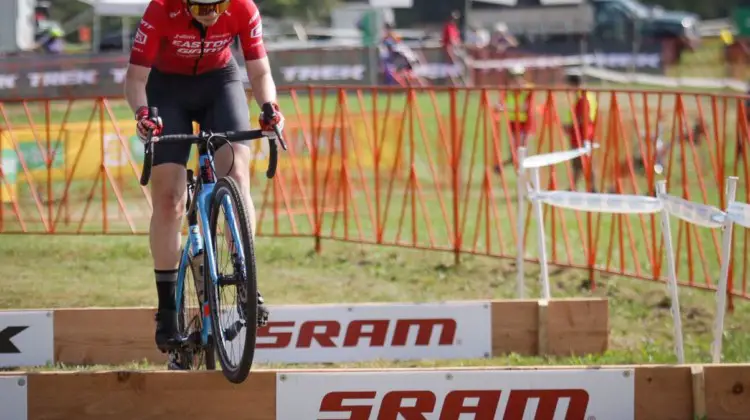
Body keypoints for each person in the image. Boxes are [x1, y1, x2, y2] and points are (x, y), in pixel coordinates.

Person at [123, 0, 284, 353]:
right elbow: (136, 78)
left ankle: (246, 280)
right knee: (169, 201)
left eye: (218, 5)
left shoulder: (243, 7)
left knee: (237, 174)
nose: (211, 12)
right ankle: (167, 313)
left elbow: (259, 72)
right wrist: (142, 115)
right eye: (200, 5)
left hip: (220, 84)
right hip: (168, 92)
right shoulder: (160, 10)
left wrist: (270, 108)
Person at [563, 71, 597, 191]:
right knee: (579, 163)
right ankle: (574, 187)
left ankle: (592, 188)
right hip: (584, 133)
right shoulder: (588, 95)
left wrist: (570, 126)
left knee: (584, 162)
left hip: (581, 135)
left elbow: (582, 117)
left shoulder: (582, 97)